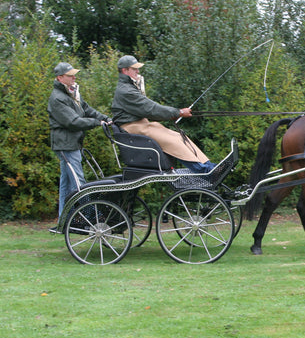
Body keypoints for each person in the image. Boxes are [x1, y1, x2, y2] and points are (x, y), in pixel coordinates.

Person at [110, 55, 216, 173]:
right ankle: (203, 170)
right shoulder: (126, 91)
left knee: (179, 136)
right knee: (172, 142)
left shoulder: (129, 87)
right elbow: (151, 109)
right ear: (125, 70)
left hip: (141, 125)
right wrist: (178, 112)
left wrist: (176, 113)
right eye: (134, 69)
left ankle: (208, 165)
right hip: (133, 129)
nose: (138, 71)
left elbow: (150, 109)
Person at [47, 62, 111, 224]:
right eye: (70, 75)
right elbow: (73, 122)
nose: (74, 77)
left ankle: (63, 218)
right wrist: (97, 123)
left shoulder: (72, 94)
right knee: (78, 182)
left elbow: (87, 110)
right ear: (60, 78)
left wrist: (106, 118)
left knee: (66, 183)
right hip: (66, 145)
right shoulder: (57, 98)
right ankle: (89, 216)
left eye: (74, 74)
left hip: (72, 144)